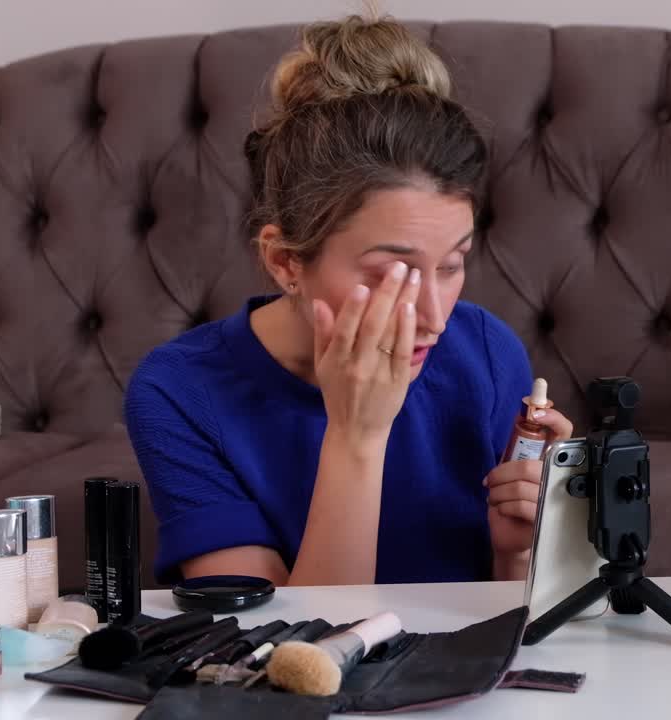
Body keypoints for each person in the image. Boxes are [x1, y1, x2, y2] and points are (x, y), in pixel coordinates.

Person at [123, 12, 574, 588]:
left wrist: (519, 552)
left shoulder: (483, 352)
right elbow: (286, 651)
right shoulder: (179, 391)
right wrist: (356, 436)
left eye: (453, 264)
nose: (434, 319)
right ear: (286, 261)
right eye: (394, 272)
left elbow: (508, 622)